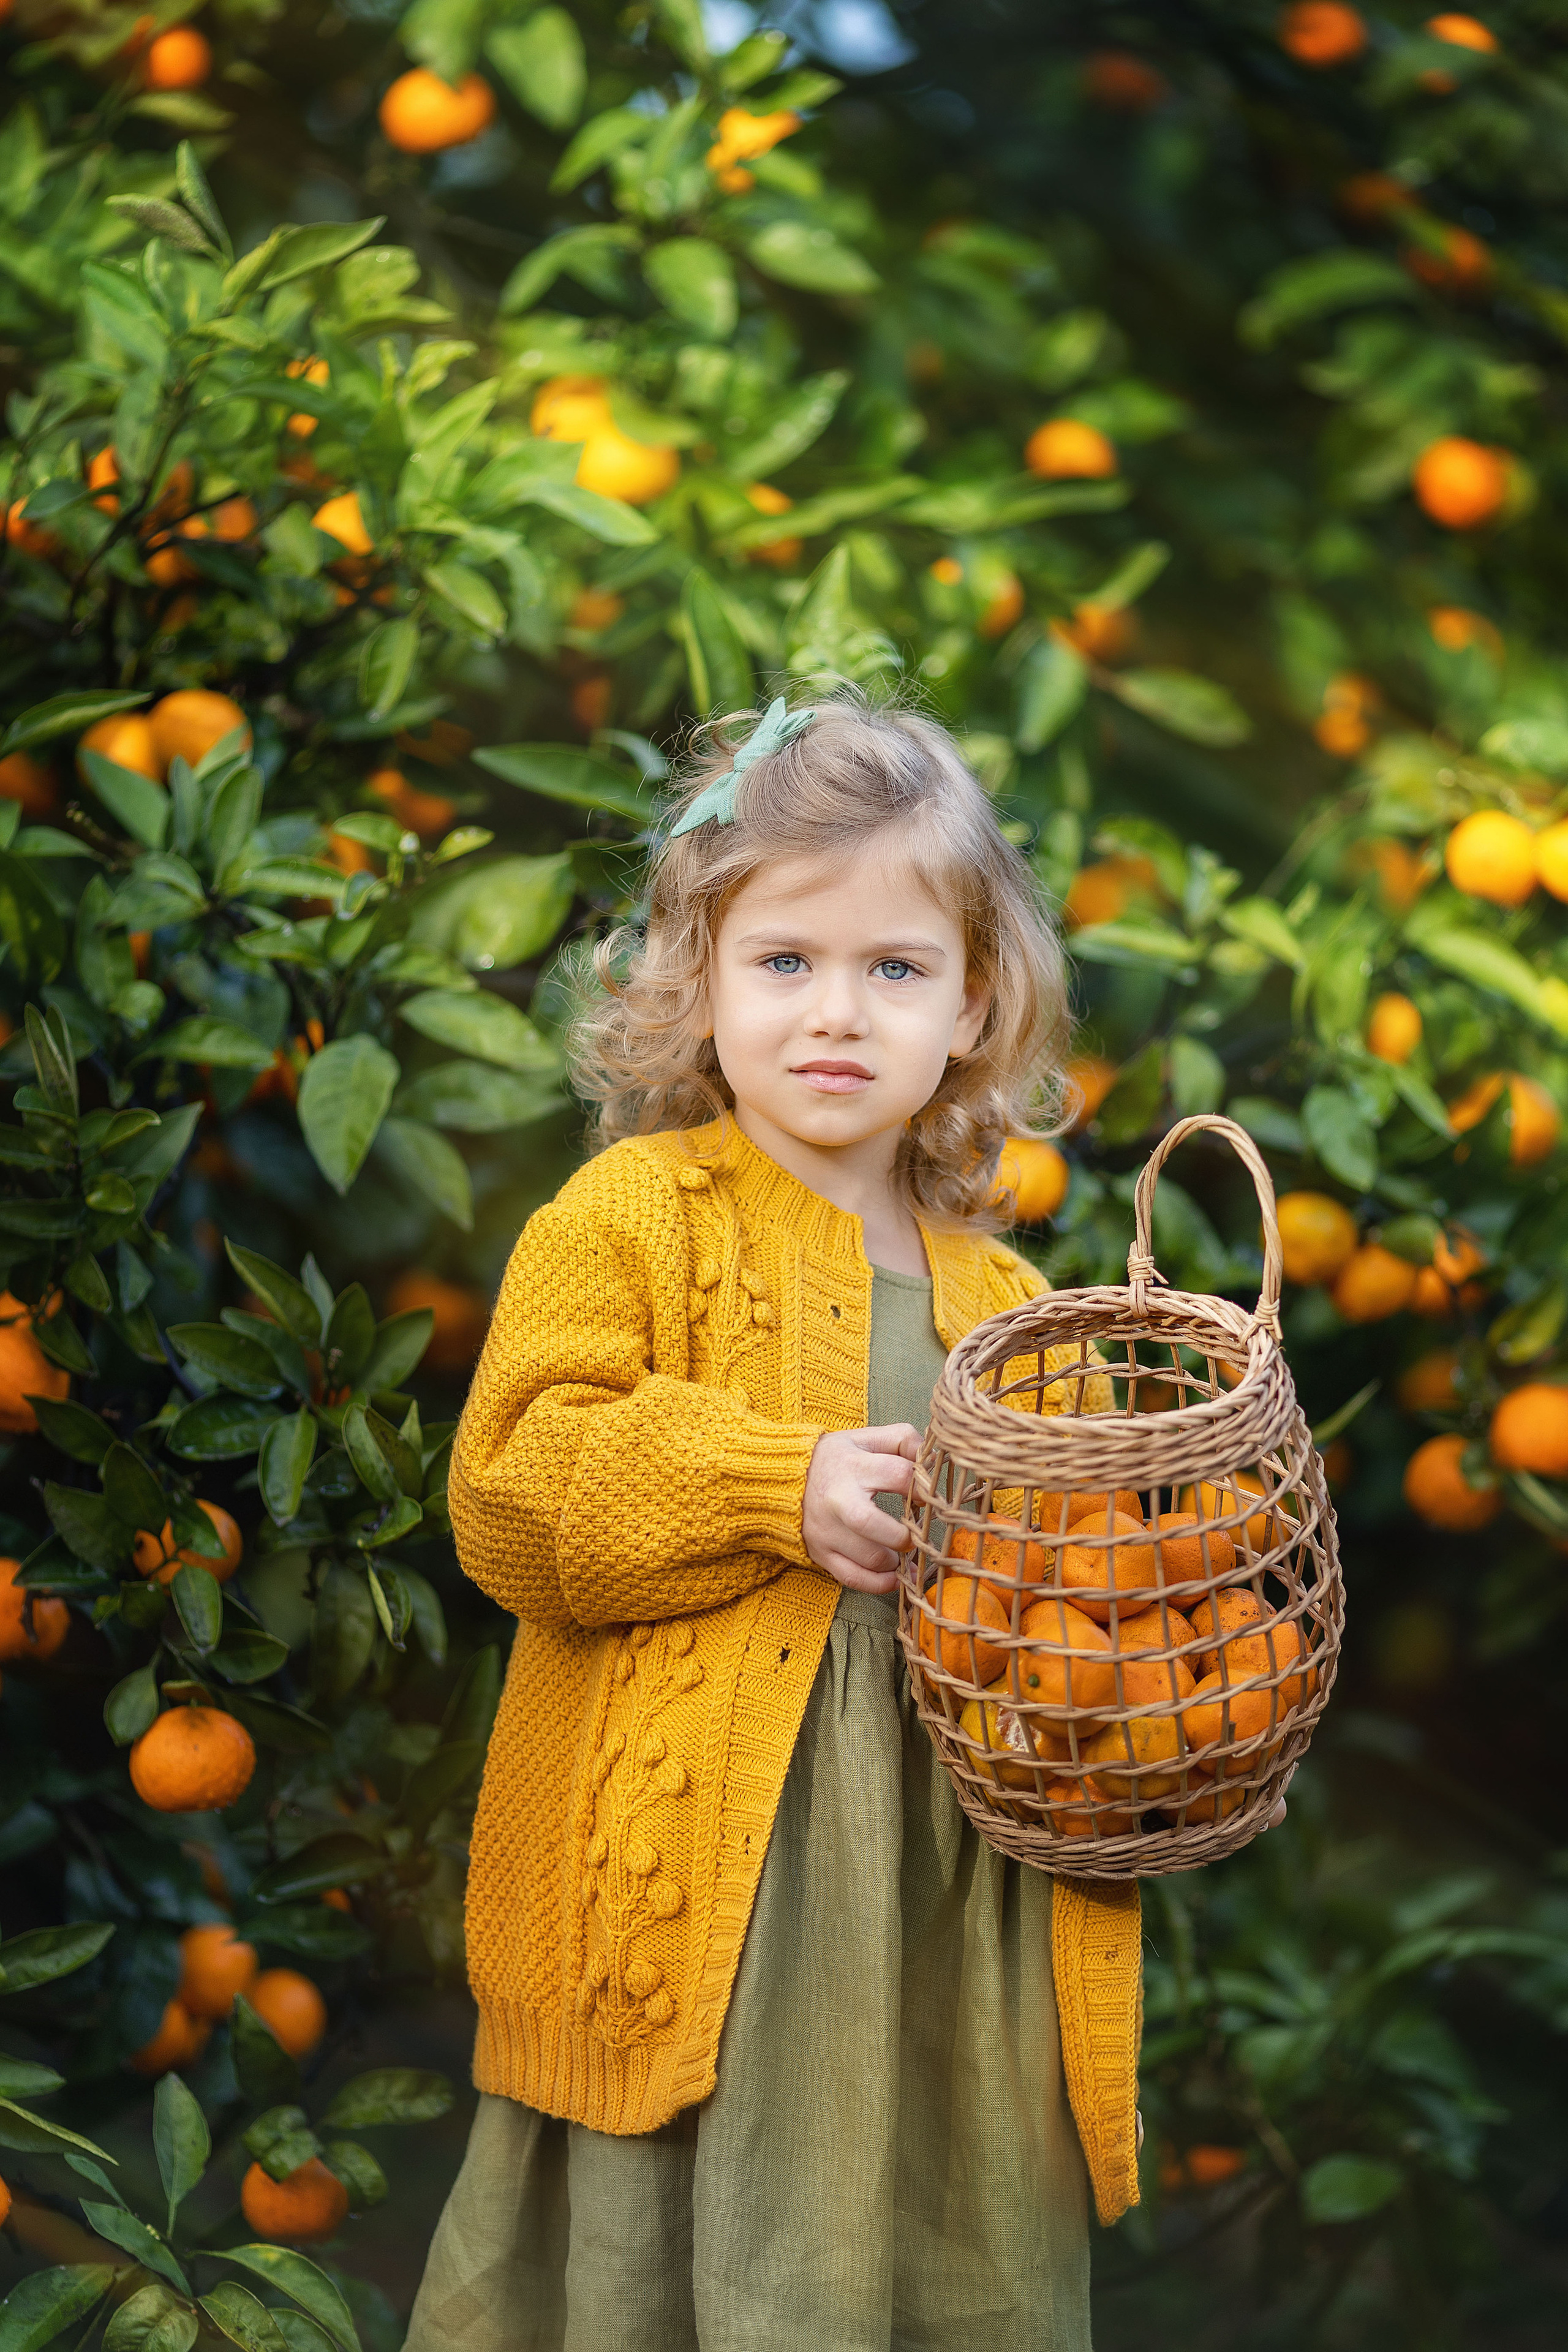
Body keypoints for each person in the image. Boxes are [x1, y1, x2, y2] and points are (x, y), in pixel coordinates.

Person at [407, 694, 1144, 2352]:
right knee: (705, 2250)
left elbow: (1093, 1601)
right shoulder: (633, 1219)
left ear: (973, 1006)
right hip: (704, 1932)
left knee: (928, 2233)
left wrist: (1138, 1689)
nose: (837, 1011)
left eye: (895, 969)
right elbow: (511, 1494)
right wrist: (770, 1485)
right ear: (699, 984)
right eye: (785, 962)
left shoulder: (1021, 1311)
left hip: (942, 1935)